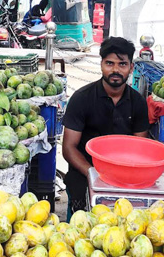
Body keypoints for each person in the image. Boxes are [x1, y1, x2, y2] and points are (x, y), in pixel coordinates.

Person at [61, 37, 150, 217]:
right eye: (109, 63)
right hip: (85, 171)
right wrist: (92, 174)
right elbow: (68, 148)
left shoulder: (138, 103)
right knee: (83, 217)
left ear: (131, 68)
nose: (115, 70)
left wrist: (124, 176)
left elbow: (141, 148)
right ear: (101, 64)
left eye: (122, 64)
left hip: (124, 174)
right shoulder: (81, 98)